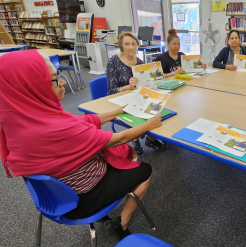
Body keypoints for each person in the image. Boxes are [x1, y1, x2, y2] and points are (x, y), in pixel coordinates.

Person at [0, 51, 165, 240]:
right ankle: (120, 222)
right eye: (54, 79)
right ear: (31, 85)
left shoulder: (20, 119)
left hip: (51, 196)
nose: (62, 83)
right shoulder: (59, 128)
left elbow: (82, 121)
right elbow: (118, 139)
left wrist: (116, 112)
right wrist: (149, 125)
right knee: (146, 169)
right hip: (82, 200)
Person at [106, 31, 167, 154]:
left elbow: (144, 85)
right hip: (120, 99)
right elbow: (111, 90)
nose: (131, 47)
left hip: (137, 97)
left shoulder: (139, 62)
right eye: (127, 44)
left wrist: (152, 83)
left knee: (156, 105)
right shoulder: (113, 62)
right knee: (140, 109)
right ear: (121, 46)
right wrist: (128, 86)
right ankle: (146, 137)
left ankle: (146, 136)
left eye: (133, 44)